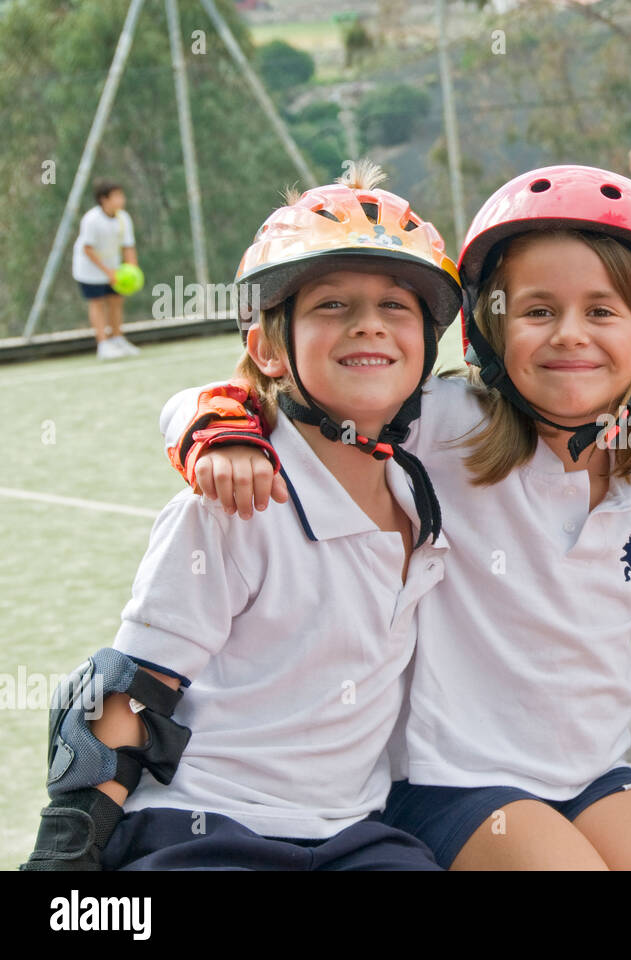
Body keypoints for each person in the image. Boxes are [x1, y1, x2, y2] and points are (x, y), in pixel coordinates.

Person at [155, 166, 631, 870]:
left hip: (596, 770)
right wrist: (210, 422)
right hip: (453, 781)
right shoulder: (441, 422)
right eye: (536, 312)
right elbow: (293, 390)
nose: (570, 336)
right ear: (488, 330)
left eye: (602, 311)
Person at [22, 161, 460, 871]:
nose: (368, 326)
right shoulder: (233, 501)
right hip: (206, 825)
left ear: (426, 343)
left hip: (355, 832)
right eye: (332, 307)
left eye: (395, 306)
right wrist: (66, 851)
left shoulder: (424, 486)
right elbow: (130, 688)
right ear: (267, 348)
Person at [72, 181, 141, 359]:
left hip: (113, 268)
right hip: (89, 269)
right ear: (104, 199)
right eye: (116, 196)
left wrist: (133, 269)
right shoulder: (92, 219)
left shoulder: (123, 218)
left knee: (116, 301)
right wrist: (107, 272)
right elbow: (87, 249)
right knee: (97, 303)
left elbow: (128, 246)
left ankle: (118, 339)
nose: (121, 199)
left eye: (121, 195)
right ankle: (103, 344)